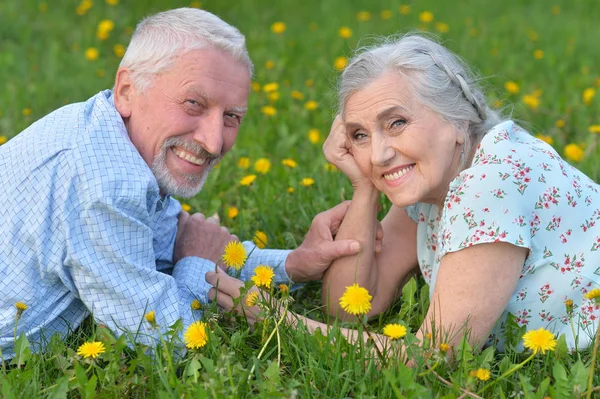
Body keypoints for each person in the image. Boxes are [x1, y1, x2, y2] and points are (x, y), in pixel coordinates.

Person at [0, 8, 365, 359]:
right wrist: (196, 260)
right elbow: (164, 340)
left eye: (232, 117)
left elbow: (161, 247)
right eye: (193, 103)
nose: (214, 142)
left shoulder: (112, 135)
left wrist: (294, 265)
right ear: (127, 90)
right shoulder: (106, 185)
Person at [208, 33, 600, 354]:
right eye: (360, 135)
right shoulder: (437, 181)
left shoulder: (490, 185)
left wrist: (283, 323)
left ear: (456, 118)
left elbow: (434, 357)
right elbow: (351, 304)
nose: (378, 154)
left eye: (396, 123)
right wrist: (364, 188)